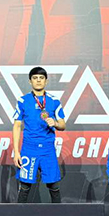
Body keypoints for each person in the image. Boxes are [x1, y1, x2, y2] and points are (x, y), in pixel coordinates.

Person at [12, 66, 66, 203]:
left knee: (54, 186)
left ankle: (58, 215)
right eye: (35, 78)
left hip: (48, 148)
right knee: (25, 186)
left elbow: (63, 125)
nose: (38, 80)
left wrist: (55, 123)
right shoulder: (23, 100)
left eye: (41, 78)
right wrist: (16, 152)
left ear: (46, 81)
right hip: (29, 148)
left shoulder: (54, 100)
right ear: (30, 81)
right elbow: (17, 126)